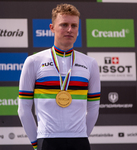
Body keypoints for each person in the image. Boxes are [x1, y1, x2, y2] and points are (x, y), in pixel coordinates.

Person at [18, 3, 100, 150]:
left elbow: (94, 106)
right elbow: (23, 108)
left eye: (74, 26)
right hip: (47, 141)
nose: (70, 29)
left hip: (79, 142)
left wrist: (81, 136)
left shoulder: (90, 63)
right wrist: (36, 143)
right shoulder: (34, 61)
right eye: (64, 24)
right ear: (52, 28)